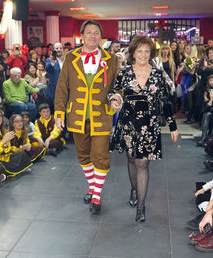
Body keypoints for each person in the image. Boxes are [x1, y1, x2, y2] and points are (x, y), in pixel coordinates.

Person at [108, 35, 178, 222]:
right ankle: (134, 188)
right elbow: (112, 91)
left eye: (147, 51)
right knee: (132, 159)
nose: (143, 54)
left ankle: (141, 204)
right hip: (128, 122)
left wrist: (172, 126)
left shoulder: (158, 74)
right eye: (139, 51)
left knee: (143, 163)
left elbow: (165, 100)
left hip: (150, 123)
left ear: (151, 54)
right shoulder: (124, 72)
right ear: (132, 53)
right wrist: (114, 99)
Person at [54, 20, 119, 215]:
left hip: (102, 114)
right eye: (89, 32)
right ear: (82, 36)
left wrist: (117, 98)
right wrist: (59, 112)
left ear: (101, 36)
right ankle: (92, 186)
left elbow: (117, 85)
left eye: (96, 33)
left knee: (100, 155)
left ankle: (96, 195)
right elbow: (62, 87)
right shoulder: (71, 57)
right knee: (83, 155)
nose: (93, 36)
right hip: (77, 115)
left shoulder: (111, 59)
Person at [45, 42, 64, 109]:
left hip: (66, 91)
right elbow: (48, 70)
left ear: (63, 50)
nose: (59, 50)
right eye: (57, 48)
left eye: (60, 48)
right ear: (53, 50)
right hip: (54, 91)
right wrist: (52, 63)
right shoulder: (49, 60)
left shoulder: (67, 60)